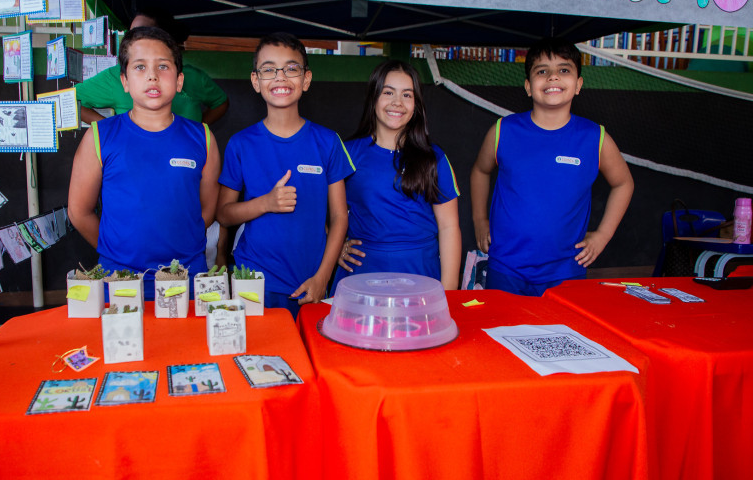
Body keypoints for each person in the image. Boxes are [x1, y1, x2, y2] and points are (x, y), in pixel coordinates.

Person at [470, 37, 634, 296]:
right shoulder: (503, 131)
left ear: (578, 85)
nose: (553, 77)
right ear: (528, 85)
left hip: (566, 271)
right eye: (542, 71)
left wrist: (602, 235)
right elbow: (480, 170)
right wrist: (479, 220)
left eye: (564, 70)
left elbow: (624, 183)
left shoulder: (594, 137)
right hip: (507, 267)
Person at [68, 26, 221, 299]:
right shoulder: (99, 137)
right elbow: (79, 212)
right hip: (120, 281)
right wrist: (116, 253)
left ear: (179, 81)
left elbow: (207, 211)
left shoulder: (203, 139)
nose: (152, 75)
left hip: (186, 278)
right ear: (125, 81)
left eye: (163, 66)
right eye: (140, 67)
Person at [216, 32, 354, 319]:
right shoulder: (241, 143)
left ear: (306, 79)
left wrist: (323, 276)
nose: (280, 77)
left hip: (310, 282)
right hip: (253, 282)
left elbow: (340, 217)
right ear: (256, 81)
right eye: (269, 69)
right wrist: (266, 203)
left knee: (309, 360)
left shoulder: (327, 142)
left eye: (291, 68)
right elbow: (224, 214)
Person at [334, 60, 461, 292]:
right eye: (388, 92)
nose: (397, 103)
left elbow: (449, 227)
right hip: (362, 273)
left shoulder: (434, 158)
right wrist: (336, 247)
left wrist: (449, 291)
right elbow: (318, 210)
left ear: (416, 105)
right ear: (373, 97)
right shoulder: (346, 153)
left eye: (407, 95)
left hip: (420, 272)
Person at [76, 7, 229, 126]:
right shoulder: (116, 76)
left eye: (141, 33)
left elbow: (220, 102)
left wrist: (195, 128)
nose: (133, 39)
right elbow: (72, 99)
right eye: (131, 33)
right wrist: (111, 129)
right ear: (125, 81)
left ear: (179, 81)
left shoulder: (193, 78)